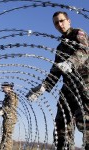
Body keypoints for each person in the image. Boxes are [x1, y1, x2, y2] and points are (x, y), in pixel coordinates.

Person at [26, 11, 89, 149]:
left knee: (86, 125)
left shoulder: (78, 34)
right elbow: (56, 70)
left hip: (83, 87)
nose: (59, 24)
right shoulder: (60, 47)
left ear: (69, 21)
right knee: (61, 130)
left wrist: (71, 63)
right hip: (67, 90)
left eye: (62, 21)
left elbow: (84, 50)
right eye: (56, 23)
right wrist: (43, 87)